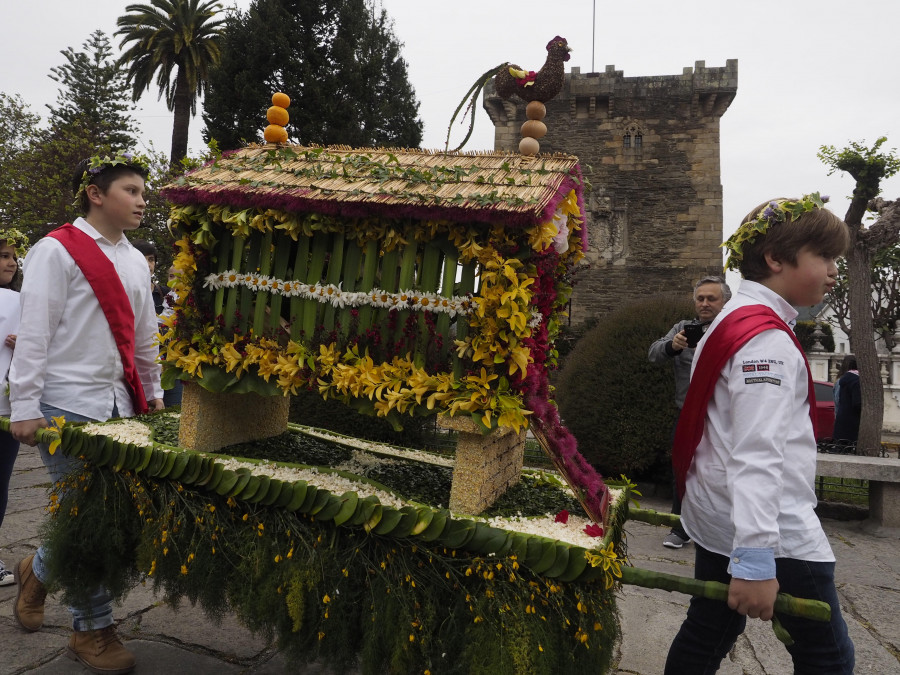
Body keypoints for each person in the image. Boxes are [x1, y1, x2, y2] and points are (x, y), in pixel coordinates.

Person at [665, 193, 855, 674]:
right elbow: (757, 452)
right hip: (771, 529)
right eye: (824, 257)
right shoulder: (766, 341)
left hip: (719, 514)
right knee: (829, 657)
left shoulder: (735, 316)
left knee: (708, 629)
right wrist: (753, 559)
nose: (834, 270)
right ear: (775, 258)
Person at [8, 151, 164, 675]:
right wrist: (24, 405)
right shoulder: (54, 250)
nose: (143, 201)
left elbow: (146, 336)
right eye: (132, 191)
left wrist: (156, 390)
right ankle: (90, 631)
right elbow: (35, 333)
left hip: (120, 407)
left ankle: (36, 570)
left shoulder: (138, 260)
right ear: (96, 194)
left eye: (144, 192)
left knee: (94, 515)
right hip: (63, 405)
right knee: (90, 518)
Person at [649, 275, 731, 549]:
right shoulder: (683, 328)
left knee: (724, 474)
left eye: (712, 298)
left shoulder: (733, 328)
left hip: (724, 418)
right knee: (683, 471)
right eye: (700, 298)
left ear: (725, 301)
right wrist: (672, 347)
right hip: (688, 416)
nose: (705, 303)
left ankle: (718, 531)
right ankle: (680, 528)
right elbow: (653, 354)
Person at [0, 228, 28, 587]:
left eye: (13, 256)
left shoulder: (19, 300)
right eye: (3, 255)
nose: (11, 262)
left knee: (0, 482)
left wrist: (29, 344)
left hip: (6, 406)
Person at [130, 238, 164, 314]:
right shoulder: (123, 293)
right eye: (141, 259)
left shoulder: (166, 294)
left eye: (151, 260)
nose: (147, 265)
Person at [832, 356, 861, 444]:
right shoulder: (844, 381)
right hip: (847, 420)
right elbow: (837, 400)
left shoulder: (843, 380)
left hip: (842, 419)